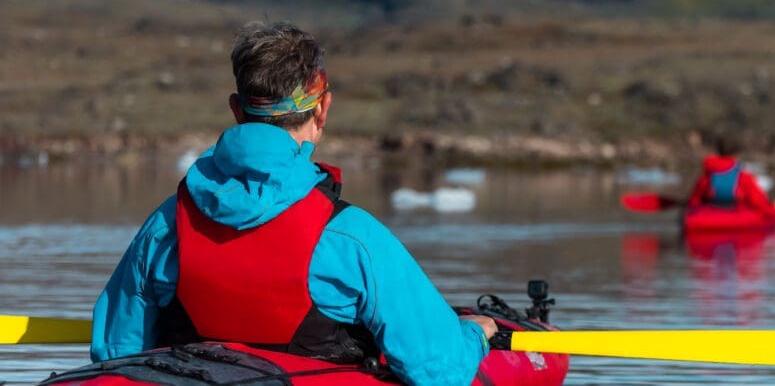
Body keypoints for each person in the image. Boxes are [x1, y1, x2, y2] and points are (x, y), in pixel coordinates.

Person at [91, 22, 497, 385]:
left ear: (237, 110)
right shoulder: (351, 237)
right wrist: (476, 333)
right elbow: (440, 372)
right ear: (322, 109)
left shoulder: (165, 226)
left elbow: (116, 351)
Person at [686, 136, 775, 219]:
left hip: (708, 218)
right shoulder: (744, 178)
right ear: (737, 155)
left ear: (718, 152)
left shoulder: (706, 178)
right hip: (737, 217)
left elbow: (693, 203)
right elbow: (760, 204)